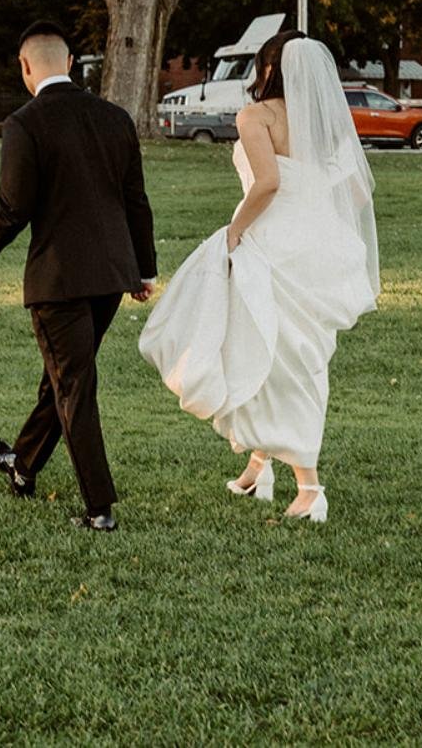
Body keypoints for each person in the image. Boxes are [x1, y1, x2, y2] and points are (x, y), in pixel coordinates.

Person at [137, 30, 379, 522]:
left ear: (267, 69)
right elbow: (353, 195)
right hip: (313, 249)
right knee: (285, 353)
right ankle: (257, 467)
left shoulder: (255, 117)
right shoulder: (324, 124)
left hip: (269, 243)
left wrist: (234, 235)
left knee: (269, 354)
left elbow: (267, 182)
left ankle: (310, 488)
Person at [0, 21, 156, 532]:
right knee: (63, 378)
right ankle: (23, 463)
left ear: (25, 67)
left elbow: (13, 209)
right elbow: (136, 201)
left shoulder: (25, 124)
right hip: (110, 277)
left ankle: (100, 509)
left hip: (59, 282)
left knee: (73, 386)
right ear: (68, 62)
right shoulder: (115, 118)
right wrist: (143, 269)